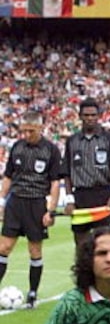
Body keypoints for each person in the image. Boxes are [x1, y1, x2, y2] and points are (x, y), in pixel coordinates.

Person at [0, 111, 61, 308]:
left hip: (36, 204)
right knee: (4, 247)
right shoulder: (17, 147)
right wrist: (2, 201)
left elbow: (54, 183)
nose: (26, 135)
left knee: (34, 250)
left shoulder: (51, 150)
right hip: (15, 202)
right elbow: (8, 176)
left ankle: (32, 293)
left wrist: (50, 210)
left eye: (30, 131)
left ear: (40, 128)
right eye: (23, 131)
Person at [61, 98, 110, 247]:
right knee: (81, 245)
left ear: (98, 116)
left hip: (102, 195)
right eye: (86, 115)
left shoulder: (108, 139)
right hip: (80, 196)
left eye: (93, 115)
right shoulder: (72, 141)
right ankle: (84, 271)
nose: (90, 118)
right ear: (80, 116)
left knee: (105, 242)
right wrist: (69, 198)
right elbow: (66, 172)